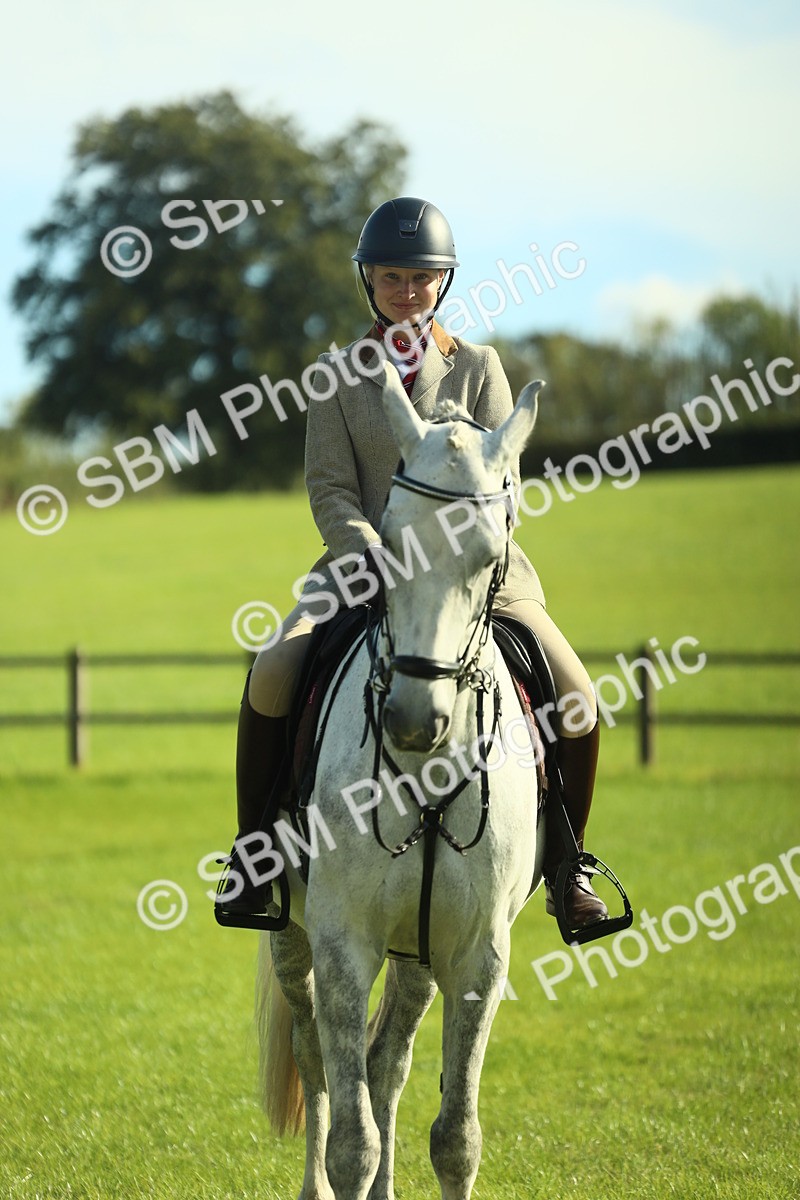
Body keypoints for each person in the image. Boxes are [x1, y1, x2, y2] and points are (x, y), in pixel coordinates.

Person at [217, 197, 607, 930]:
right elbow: (330, 487)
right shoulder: (334, 375)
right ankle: (253, 857)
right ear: (369, 280)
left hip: (477, 575)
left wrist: (458, 556)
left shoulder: (481, 367)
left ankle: (569, 867)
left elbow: (504, 486)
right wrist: (374, 560)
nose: (407, 291)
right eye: (392, 277)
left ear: (444, 283)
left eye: (421, 279)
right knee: (272, 673)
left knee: (579, 697)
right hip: (361, 567)